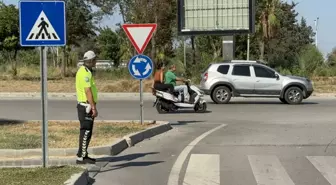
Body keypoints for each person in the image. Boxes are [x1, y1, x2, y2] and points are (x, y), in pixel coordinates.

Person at [75, 50, 98, 164]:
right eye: (94, 60)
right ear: (91, 61)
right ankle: (81, 156)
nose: (96, 62)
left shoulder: (86, 71)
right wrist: (93, 107)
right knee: (86, 131)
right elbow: (87, 90)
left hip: (86, 105)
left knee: (87, 131)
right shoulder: (84, 73)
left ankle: (84, 154)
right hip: (86, 106)